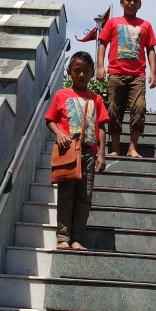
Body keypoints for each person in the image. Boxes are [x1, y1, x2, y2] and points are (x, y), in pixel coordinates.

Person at [45, 51, 109, 250]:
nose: (81, 75)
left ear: (92, 74)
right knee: (66, 196)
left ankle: (78, 238)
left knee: (84, 197)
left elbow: (101, 126)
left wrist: (101, 154)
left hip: (89, 154)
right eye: (77, 71)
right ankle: (63, 237)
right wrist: (59, 133)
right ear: (69, 72)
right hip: (68, 152)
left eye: (86, 71)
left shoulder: (96, 99)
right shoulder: (61, 95)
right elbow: (50, 120)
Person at [96, 0, 156, 157]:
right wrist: (100, 66)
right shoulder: (113, 22)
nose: (132, 3)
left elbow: (150, 49)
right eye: (128, 0)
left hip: (138, 75)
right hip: (115, 73)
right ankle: (115, 148)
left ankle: (132, 147)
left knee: (139, 108)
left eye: (135, 1)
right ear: (122, 3)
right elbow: (102, 44)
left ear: (140, 4)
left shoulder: (146, 25)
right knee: (113, 109)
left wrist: (153, 72)